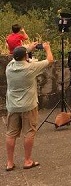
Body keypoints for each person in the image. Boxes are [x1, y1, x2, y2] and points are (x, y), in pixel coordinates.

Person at [5, 42, 54, 171]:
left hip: (12, 106)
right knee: (29, 132)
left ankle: (9, 163)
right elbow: (50, 60)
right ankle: (27, 160)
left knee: (10, 134)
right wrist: (47, 48)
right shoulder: (30, 68)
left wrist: (27, 49)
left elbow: (16, 55)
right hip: (28, 105)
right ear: (25, 56)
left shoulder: (9, 67)